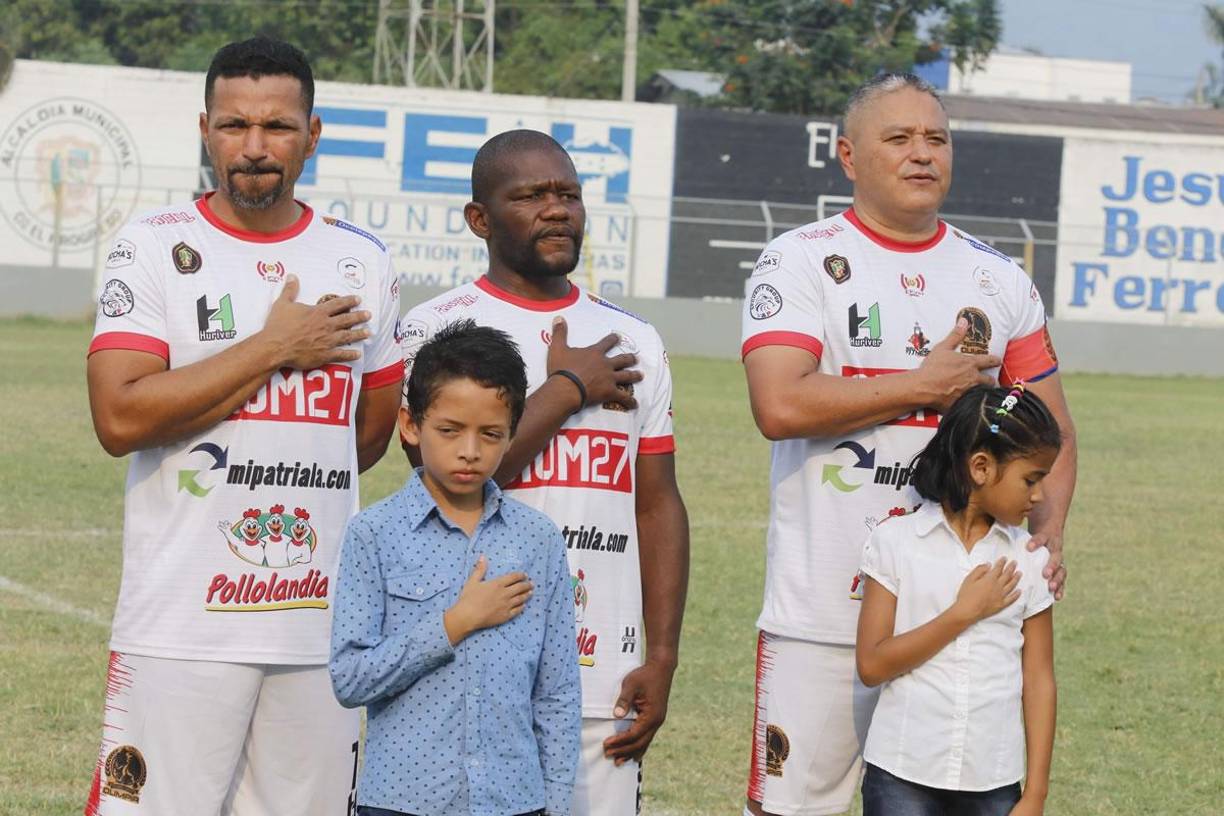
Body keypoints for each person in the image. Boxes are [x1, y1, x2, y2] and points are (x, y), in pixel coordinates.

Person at [740, 73, 1077, 816]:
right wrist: (921, 386)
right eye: (899, 138)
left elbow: (1052, 429)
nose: (922, 153)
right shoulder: (799, 260)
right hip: (823, 614)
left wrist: (1046, 537)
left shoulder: (998, 277)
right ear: (849, 155)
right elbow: (780, 401)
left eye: (936, 138)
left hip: (965, 623)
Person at [84, 37, 402, 816]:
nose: (255, 148)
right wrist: (272, 347)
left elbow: (364, 437)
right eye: (234, 126)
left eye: (278, 127)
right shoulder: (152, 247)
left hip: (318, 629)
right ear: (204, 129)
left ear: (313, 134)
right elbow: (120, 415)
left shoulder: (362, 261)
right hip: (180, 623)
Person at [399, 129, 690, 816]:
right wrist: (567, 388)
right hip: (469, 663)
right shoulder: (436, 329)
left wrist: (664, 654)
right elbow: (446, 479)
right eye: (530, 196)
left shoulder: (635, 340)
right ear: (481, 219)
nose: (556, 210)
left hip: (601, 672)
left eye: (568, 195)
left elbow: (657, 504)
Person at [330, 320, 580, 816]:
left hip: (514, 802)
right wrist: (454, 624)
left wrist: (554, 802)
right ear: (411, 425)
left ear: (512, 434)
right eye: (450, 430)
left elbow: (557, 693)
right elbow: (350, 678)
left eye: (490, 434)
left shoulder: (539, 540)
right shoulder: (373, 534)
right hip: (402, 802)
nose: (470, 450)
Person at [855, 384, 1059, 815]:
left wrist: (1036, 792)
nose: (1039, 496)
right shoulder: (896, 543)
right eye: (1031, 479)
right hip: (900, 774)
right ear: (981, 467)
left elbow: (1039, 681)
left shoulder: (1029, 560)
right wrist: (963, 613)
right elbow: (872, 666)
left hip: (994, 781)